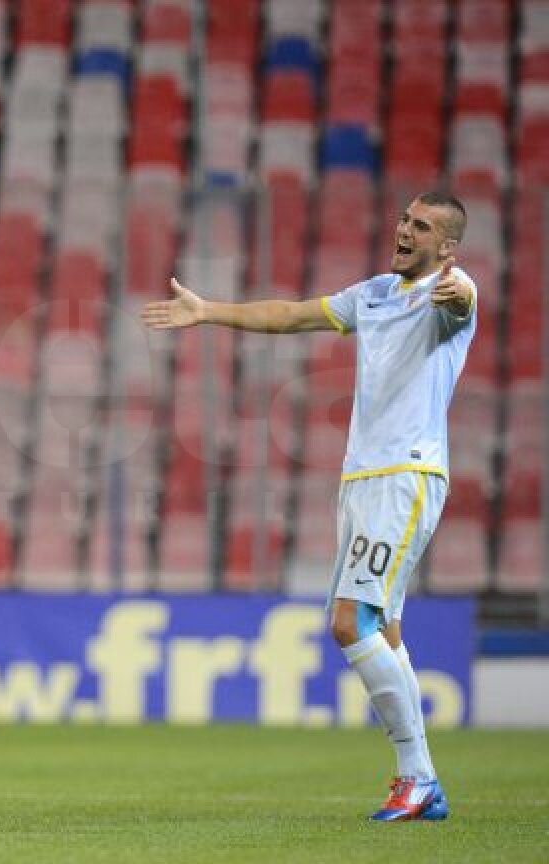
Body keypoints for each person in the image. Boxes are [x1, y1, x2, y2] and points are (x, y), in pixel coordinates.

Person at [142, 191, 475, 822]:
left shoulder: (452, 294)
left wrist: (456, 294)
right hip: (363, 478)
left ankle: (420, 778)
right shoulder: (375, 292)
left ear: (447, 247)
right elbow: (292, 316)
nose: (404, 229)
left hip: (406, 473)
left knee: (350, 622)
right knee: (386, 629)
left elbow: (461, 304)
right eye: (404, 217)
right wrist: (208, 310)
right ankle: (421, 781)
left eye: (422, 226)